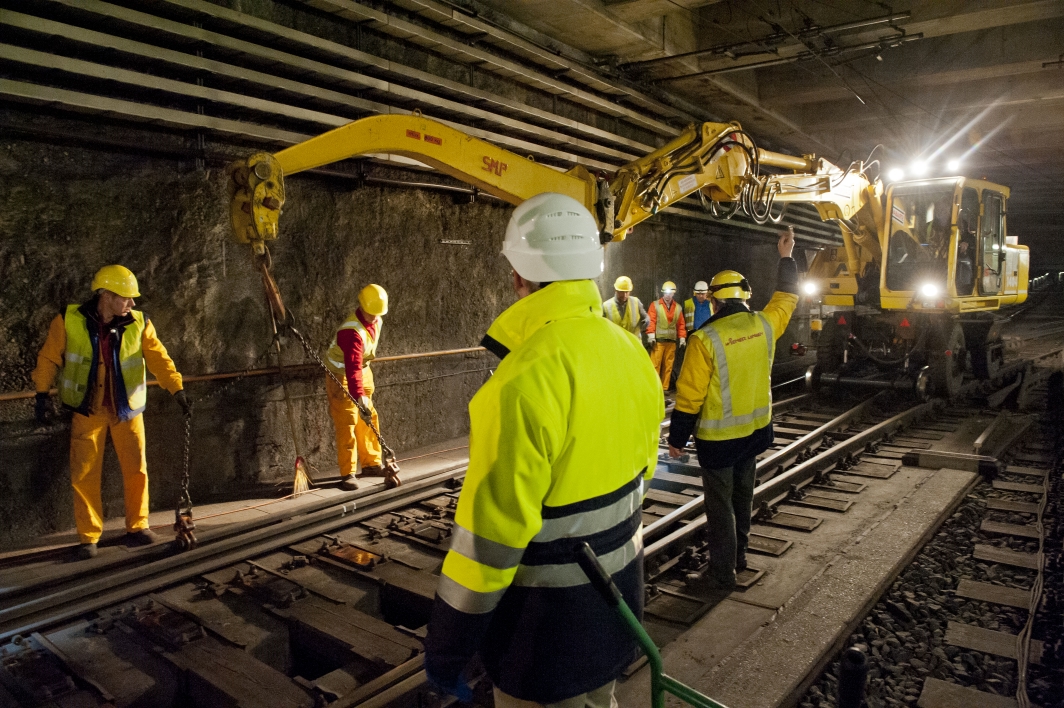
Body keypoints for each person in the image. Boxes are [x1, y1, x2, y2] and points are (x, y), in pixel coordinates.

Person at [423, 193, 664, 707]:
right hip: (619, 602)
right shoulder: (631, 353)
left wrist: (448, 646)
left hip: (544, 633)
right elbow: (643, 469)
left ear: (518, 277)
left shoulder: (520, 382)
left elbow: (488, 545)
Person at [667, 231, 799, 592]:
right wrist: (786, 256)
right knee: (744, 496)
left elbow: (690, 397)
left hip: (719, 441)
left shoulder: (704, 339)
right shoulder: (765, 324)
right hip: (756, 433)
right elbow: (788, 297)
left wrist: (677, 438)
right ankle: (739, 557)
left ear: (714, 300)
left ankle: (722, 573)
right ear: (746, 296)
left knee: (720, 507)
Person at [32, 265, 189, 560]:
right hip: (88, 409)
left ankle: (138, 526)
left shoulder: (140, 323)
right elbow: (48, 356)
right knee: (84, 473)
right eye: (125, 298)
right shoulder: (68, 320)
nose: (131, 304)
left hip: (126, 409)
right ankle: (88, 536)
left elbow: (159, 358)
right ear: (105, 295)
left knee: (137, 469)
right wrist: (41, 394)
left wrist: (176, 388)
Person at [324, 284, 389, 490]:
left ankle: (371, 464)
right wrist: (358, 395)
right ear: (362, 306)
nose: (374, 317)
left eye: (377, 313)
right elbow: (351, 369)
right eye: (371, 313)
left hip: (363, 371)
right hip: (341, 376)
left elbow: (360, 364)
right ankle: (348, 473)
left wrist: (363, 395)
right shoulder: (351, 332)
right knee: (348, 422)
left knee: (369, 417)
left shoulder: (377, 319)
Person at [646, 280, 687, 392]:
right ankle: (654, 388)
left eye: (670, 293)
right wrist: (651, 337)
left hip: (671, 342)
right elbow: (651, 321)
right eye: (666, 293)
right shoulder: (655, 305)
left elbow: (681, 324)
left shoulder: (677, 307)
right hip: (658, 341)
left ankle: (664, 388)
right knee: (655, 365)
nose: (667, 296)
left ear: (673, 293)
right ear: (662, 293)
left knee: (668, 367)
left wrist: (682, 339)